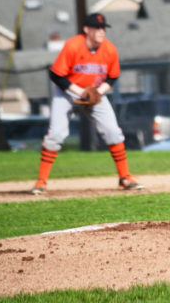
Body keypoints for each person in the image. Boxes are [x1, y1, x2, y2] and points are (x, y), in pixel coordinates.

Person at [30, 13, 144, 194]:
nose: (101, 31)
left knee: (113, 132)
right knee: (57, 134)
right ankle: (41, 181)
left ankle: (125, 177)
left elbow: (113, 77)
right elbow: (56, 75)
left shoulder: (109, 49)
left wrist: (97, 92)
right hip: (67, 91)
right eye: (97, 28)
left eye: (103, 28)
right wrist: (80, 92)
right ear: (86, 30)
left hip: (94, 93)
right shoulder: (73, 46)